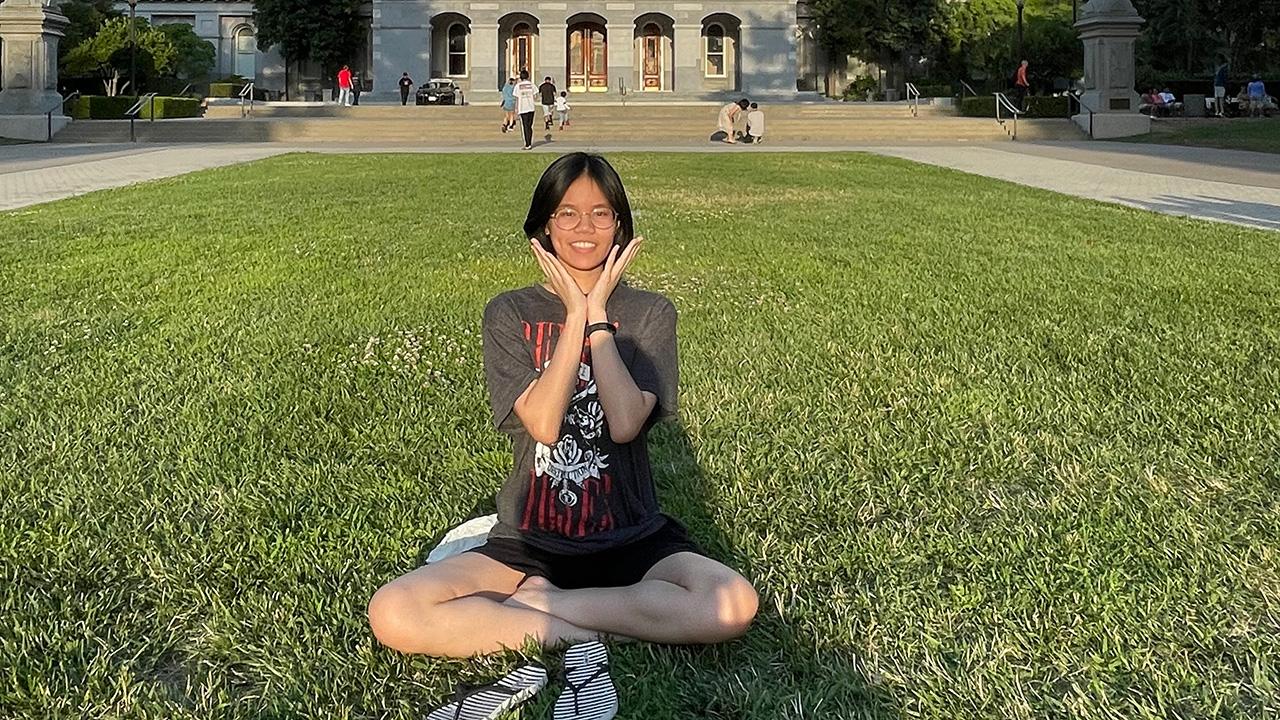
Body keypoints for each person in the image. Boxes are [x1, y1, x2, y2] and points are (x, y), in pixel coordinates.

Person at [366, 151, 759, 660]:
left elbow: (624, 424)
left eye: (601, 213)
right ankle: (584, 630)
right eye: (567, 213)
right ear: (545, 226)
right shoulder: (509, 312)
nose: (584, 227)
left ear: (619, 225)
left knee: (732, 605)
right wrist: (575, 315)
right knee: (394, 610)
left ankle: (544, 609)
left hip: (631, 535)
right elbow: (545, 425)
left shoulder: (649, 313)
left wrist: (598, 319)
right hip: (528, 540)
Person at [515, 69, 538, 150]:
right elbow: (536, 96)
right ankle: (529, 142)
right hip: (531, 108)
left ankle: (527, 144)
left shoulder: (518, 86)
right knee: (530, 126)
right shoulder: (532, 85)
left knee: (525, 126)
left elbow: (517, 98)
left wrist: (516, 108)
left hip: (523, 108)